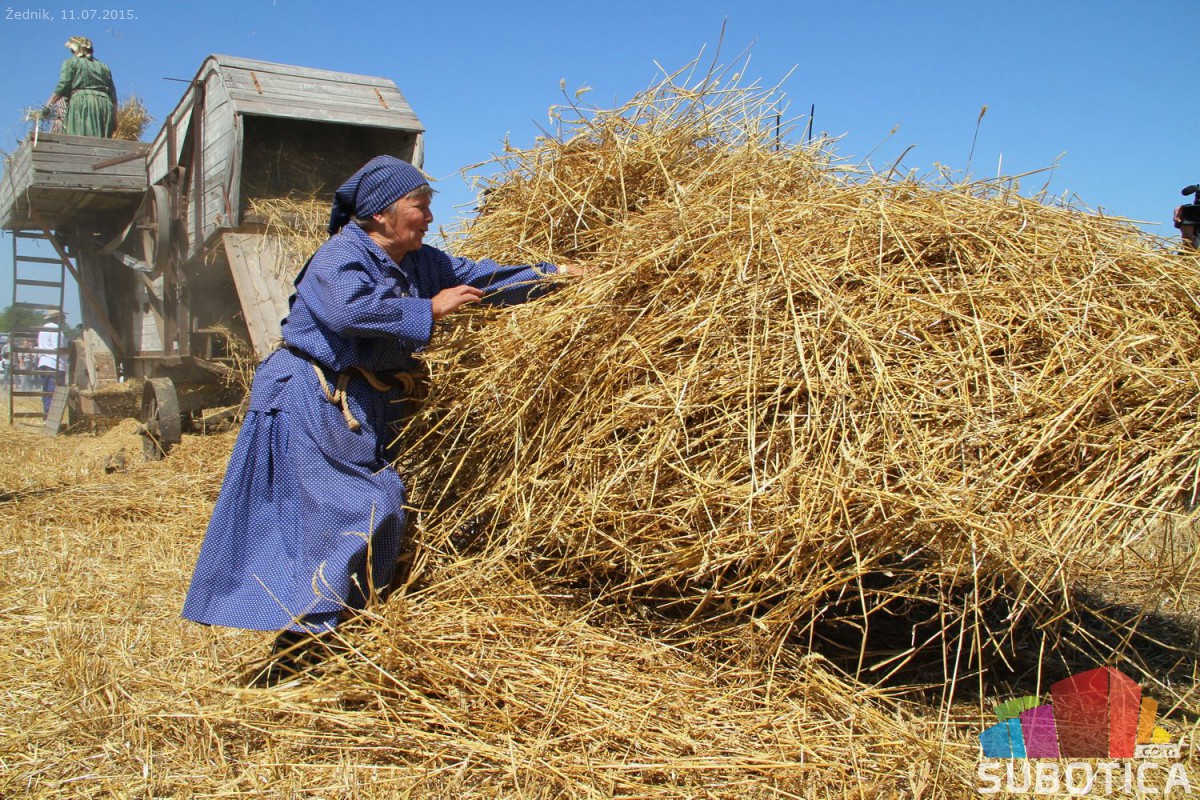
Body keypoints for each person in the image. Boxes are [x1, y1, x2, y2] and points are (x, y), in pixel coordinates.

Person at [182, 155, 572, 677]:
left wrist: (555, 276)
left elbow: (484, 279)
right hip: (311, 393)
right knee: (362, 506)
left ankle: (335, 632)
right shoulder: (340, 257)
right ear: (382, 213)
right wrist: (428, 309)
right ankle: (303, 645)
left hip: (365, 400)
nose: (429, 217)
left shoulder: (421, 262)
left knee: (362, 510)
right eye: (420, 206)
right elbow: (349, 311)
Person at [45, 36, 117, 138]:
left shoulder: (71, 63)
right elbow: (114, 98)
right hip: (105, 106)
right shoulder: (104, 67)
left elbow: (63, 85)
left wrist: (47, 106)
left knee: (78, 138)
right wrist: (114, 117)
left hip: (82, 103)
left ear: (76, 49)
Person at [37, 311, 66, 415]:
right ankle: (51, 415)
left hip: (43, 362)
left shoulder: (43, 329)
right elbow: (59, 348)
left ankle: (46, 413)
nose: (65, 319)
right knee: (54, 391)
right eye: (63, 317)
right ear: (57, 317)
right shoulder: (56, 329)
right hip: (54, 363)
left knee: (47, 391)